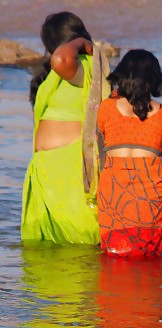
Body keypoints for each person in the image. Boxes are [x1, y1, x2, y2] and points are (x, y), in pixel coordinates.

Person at [22, 11, 110, 245]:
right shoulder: (54, 75)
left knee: (80, 246)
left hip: (69, 171)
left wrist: (82, 43)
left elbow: (60, 60)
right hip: (46, 172)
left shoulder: (84, 67)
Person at [96, 49, 162, 258]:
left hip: (114, 192)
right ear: (154, 79)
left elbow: (102, 146)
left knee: (113, 257)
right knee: (149, 259)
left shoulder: (106, 108)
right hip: (149, 196)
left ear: (122, 76)